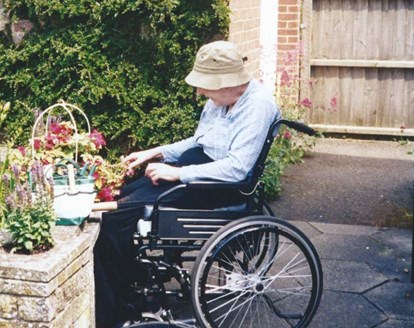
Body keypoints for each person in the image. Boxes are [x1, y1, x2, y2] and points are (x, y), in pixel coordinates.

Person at [94, 40, 280, 328]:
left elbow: (237, 169)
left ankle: (117, 310)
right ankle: (136, 287)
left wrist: (176, 174)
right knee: (124, 194)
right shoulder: (219, 101)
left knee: (118, 217)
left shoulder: (258, 107)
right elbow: (198, 142)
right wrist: (155, 152)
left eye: (204, 85)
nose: (198, 91)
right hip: (200, 173)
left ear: (225, 82)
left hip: (217, 188)